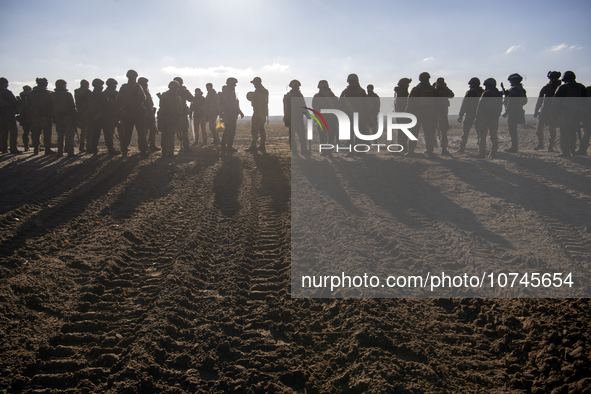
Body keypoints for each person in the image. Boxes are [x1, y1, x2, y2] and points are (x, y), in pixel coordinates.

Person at [553, 71, 587, 157]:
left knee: (564, 133)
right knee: (573, 132)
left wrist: (554, 115)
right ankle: (573, 150)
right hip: (577, 115)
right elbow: (585, 102)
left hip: (565, 115)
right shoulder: (582, 87)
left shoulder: (562, 87)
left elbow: (555, 103)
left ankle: (565, 152)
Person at [116, 69, 149, 157]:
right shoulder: (137, 86)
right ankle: (143, 150)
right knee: (141, 132)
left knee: (127, 132)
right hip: (138, 113)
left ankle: (124, 150)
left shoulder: (123, 87)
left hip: (127, 113)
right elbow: (143, 98)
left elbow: (118, 99)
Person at [406, 72, 437, 158]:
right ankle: (430, 152)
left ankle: (410, 151)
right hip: (428, 115)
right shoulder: (433, 90)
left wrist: (407, 114)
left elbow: (410, 103)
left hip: (417, 115)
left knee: (414, 134)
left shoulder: (416, 89)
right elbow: (436, 104)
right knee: (429, 134)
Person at [475, 78, 503, 159]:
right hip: (494, 118)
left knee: (482, 136)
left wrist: (477, 116)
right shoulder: (498, 94)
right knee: (493, 136)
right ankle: (493, 154)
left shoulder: (486, 93)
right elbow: (500, 107)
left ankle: (481, 154)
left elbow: (480, 106)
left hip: (485, 117)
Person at [340, 73, 367, 157]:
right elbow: (366, 105)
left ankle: (350, 152)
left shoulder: (345, 92)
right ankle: (360, 152)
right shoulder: (361, 91)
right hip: (360, 116)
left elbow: (340, 104)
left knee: (350, 135)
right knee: (359, 134)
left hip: (349, 116)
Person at [533, 71, 561, 151]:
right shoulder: (546, 88)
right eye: (552, 78)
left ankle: (550, 146)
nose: (554, 79)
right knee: (539, 129)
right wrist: (536, 111)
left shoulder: (561, 88)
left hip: (555, 112)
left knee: (552, 129)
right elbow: (540, 100)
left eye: (555, 78)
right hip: (544, 111)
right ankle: (540, 144)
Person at [88, 78, 118, 155]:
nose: (102, 87)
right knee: (107, 133)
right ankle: (110, 149)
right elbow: (107, 104)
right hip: (103, 117)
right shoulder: (101, 95)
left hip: (94, 117)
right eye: (100, 85)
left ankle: (94, 148)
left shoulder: (90, 95)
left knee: (96, 133)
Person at [457, 77, 484, 153]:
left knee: (465, 133)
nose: (469, 86)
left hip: (470, 115)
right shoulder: (483, 92)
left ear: (473, 84)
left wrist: (461, 115)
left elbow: (464, 104)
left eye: (470, 84)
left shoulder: (470, 92)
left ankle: (462, 149)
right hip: (480, 116)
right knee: (480, 134)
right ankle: (481, 150)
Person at [27, 77, 53, 155]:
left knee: (35, 133)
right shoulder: (49, 94)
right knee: (47, 133)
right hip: (45, 116)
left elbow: (27, 106)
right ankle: (47, 149)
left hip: (34, 116)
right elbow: (52, 106)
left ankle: (36, 149)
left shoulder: (31, 94)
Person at [51, 79, 77, 157]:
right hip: (67, 117)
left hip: (58, 118)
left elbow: (51, 107)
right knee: (69, 135)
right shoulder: (67, 95)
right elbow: (72, 107)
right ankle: (70, 152)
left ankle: (59, 152)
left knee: (60, 135)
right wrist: (75, 118)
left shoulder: (52, 95)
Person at [502, 73, 527, 153]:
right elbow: (524, 101)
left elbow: (511, 102)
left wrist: (507, 112)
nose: (510, 82)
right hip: (518, 111)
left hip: (513, 112)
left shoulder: (513, 89)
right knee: (513, 129)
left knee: (512, 130)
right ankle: (514, 146)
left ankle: (514, 147)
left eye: (511, 81)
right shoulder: (521, 89)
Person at [158, 81, 183, 158]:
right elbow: (179, 110)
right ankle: (169, 153)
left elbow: (161, 107)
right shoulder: (176, 97)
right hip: (172, 119)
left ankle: (164, 152)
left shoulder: (164, 96)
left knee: (164, 136)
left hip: (163, 119)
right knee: (170, 136)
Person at [312, 80, 338, 154]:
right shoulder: (331, 95)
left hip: (322, 118)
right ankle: (329, 151)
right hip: (330, 118)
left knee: (323, 135)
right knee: (331, 135)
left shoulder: (316, 96)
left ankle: (324, 151)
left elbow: (314, 107)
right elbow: (336, 105)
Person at [219, 77, 244, 155]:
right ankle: (229, 147)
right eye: (234, 83)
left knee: (227, 130)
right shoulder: (229, 92)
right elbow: (233, 104)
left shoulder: (226, 91)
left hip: (228, 114)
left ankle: (224, 146)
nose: (235, 85)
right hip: (230, 114)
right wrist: (240, 112)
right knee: (231, 130)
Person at [246, 76, 269, 154]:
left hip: (258, 113)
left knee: (255, 129)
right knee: (261, 129)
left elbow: (259, 102)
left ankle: (254, 146)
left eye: (254, 83)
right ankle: (262, 145)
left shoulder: (258, 91)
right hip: (262, 113)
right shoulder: (265, 91)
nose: (253, 85)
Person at [283, 79, 307, 155]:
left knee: (294, 136)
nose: (298, 88)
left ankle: (295, 151)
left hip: (291, 118)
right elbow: (303, 107)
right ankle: (303, 150)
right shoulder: (298, 96)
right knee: (301, 135)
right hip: (297, 118)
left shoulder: (287, 96)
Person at [433, 77, 455, 155]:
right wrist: (446, 87)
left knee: (432, 132)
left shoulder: (434, 90)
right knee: (444, 132)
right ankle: (444, 149)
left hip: (434, 114)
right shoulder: (445, 90)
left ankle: (431, 149)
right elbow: (452, 95)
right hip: (443, 114)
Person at [138, 77, 160, 152]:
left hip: (149, 114)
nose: (146, 85)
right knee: (144, 132)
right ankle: (143, 147)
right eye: (145, 83)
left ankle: (151, 145)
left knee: (153, 130)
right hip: (144, 115)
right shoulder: (140, 92)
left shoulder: (145, 92)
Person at [0, 77, 21, 154]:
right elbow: (15, 102)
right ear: (5, 84)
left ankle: (3, 148)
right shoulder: (7, 92)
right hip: (8, 114)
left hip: (1, 115)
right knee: (13, 132)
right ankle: (13, 148)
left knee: (3, 132)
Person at [173, 77, 194, 153]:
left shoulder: (171, 92)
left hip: (173, 114)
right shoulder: (184, 91)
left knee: (175, 131)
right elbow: (191, 98)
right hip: (182, 113)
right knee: (184, 130)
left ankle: (171, 148)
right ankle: (186, 147)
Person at [394, 78, 412, 152]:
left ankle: (401, 146)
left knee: (401, 130)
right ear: (404, 84)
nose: (408, 85)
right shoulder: (403, 92)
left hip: (399, 113)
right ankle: (403, 147)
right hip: (403, 113)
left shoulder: (398, 91)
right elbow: (404, 104)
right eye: (407, 84)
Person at [74, 80, 92, 153]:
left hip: (81, 112)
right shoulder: (85, 92)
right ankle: (87, 146)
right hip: (85, 113)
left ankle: (83, 146)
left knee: (84, 131)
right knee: (88, 130)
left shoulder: (78, 91)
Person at [104, 78, 121, 153]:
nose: (115, 86)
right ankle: (111, 149)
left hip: (117, 115)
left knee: (121, 131)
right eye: (113, 84)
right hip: (109, 116)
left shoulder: (117, 93)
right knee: (109, 133)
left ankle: (123, 146)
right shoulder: (105, 94)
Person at [16, 85, 32, 152]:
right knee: (35, 132)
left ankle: (26, 146)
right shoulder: (31, 97)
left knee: (25, 132)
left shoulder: (21, 98)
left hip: (23, 117)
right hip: (32, 116)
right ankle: (37, 146)